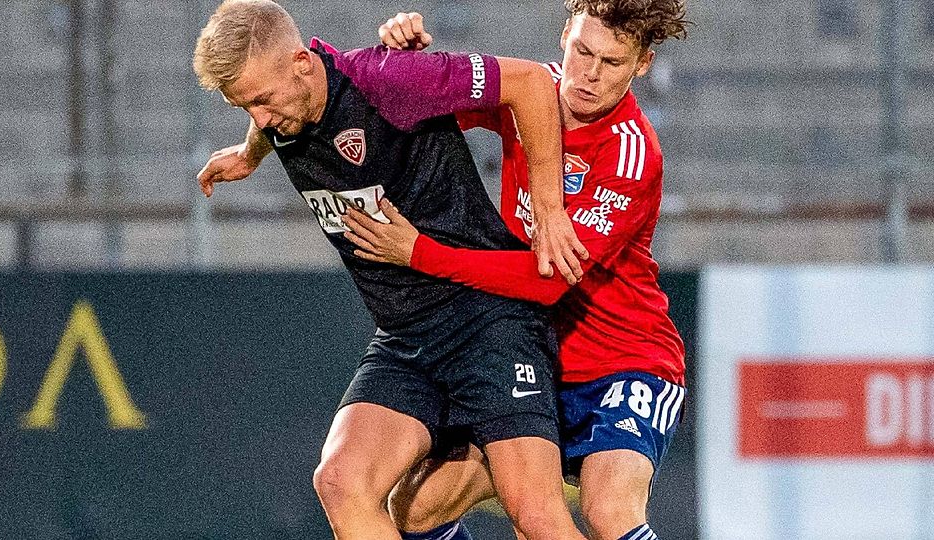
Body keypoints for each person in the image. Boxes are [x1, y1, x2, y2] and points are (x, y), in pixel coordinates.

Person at [192, 2, 591, 540]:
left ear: (301, 64)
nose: (261, 117)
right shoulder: (283, 104)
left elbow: (530, 82)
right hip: (408, 339)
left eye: (261, 101)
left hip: (487, 321)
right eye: (246, 107)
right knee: (340, 480)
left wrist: (548, 209)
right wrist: (250, 151)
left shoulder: (389, 79)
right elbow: (269, 115)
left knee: (537, 516)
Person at [344, 2, 689, 539]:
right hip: (531, 359)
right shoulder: (529, 93)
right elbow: (425, 118)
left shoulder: (631, 155)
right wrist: (406, 64)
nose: (590, 75)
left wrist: (420, 253)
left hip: (624, 362)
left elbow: (545, 281)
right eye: (582, 51)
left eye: (613, 63)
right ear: (563, 37)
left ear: (642, 65)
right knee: (414, 510)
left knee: (608, 509)